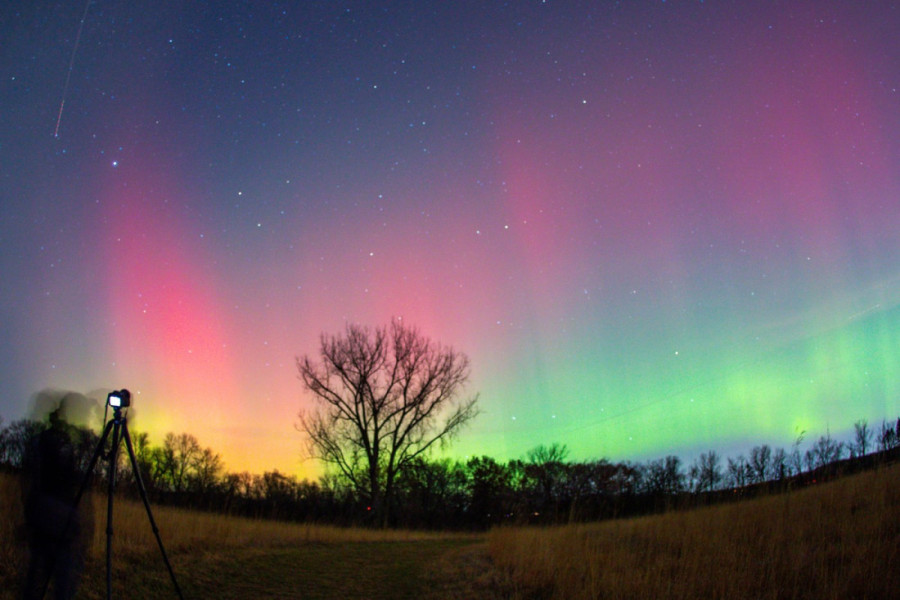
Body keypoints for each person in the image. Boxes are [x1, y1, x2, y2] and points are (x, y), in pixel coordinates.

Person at [21, 407, 91, 600]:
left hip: (42, 521)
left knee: (35, 581)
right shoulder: (66, 446)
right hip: (61, 524)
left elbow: (28, 483)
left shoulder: (38, 442)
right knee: (62, 583)